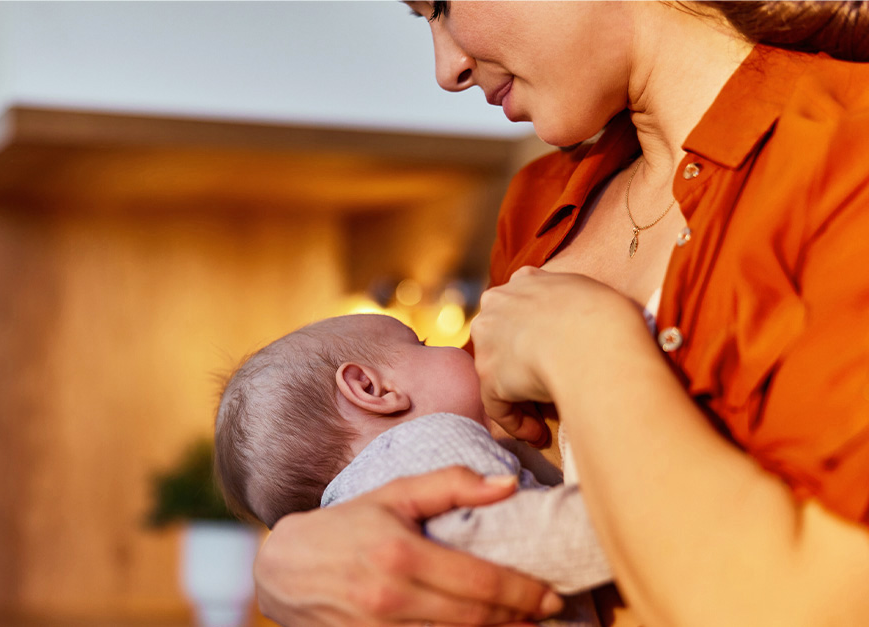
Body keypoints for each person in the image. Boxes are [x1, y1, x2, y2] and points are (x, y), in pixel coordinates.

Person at [253, 2, 869, 626]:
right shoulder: (535, 207)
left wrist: (589, 344)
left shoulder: (847, 150)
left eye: (440, 5)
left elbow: (821, 604)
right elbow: (442, 499)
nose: (447, 69)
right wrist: (293, 558)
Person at [214, 313, 612, 626]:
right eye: (422, 342)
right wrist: (634, 520)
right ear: (374, 390)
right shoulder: (420, 444)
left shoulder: (358, 511)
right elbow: (522, 541)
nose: (458, 348)